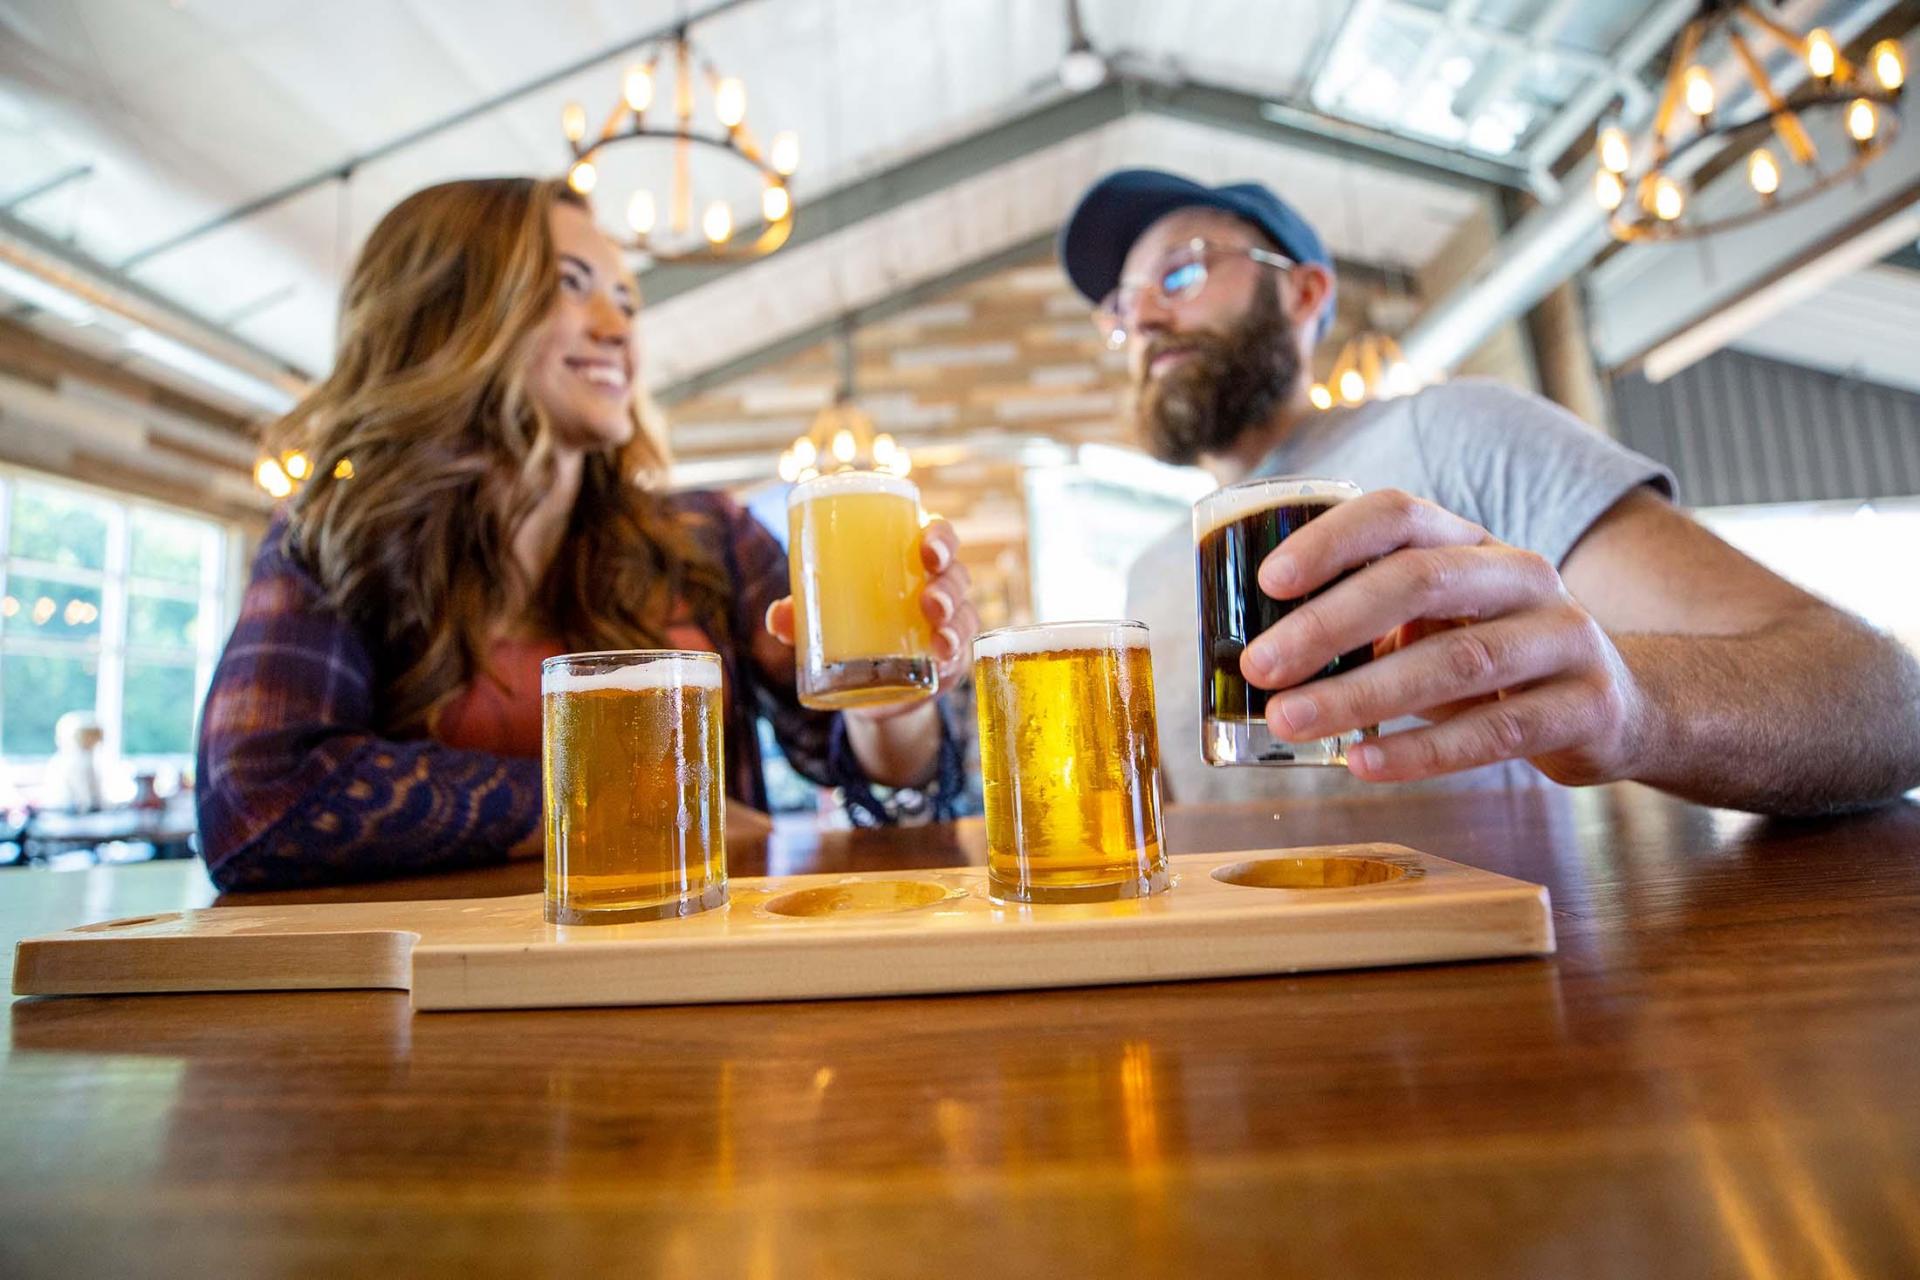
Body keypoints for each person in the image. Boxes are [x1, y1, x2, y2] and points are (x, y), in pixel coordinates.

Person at [197, 177, 980, 891]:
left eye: (629, 303)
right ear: (445, 311)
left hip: (697, 978)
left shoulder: (708, 536)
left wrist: (893, 708)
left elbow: (889, 790)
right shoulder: (336, 536)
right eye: (572, 287)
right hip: (441, 1001)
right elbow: (256, 800)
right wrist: (633, 807)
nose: (618, 330)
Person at [1059, 168, 1920, 815]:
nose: (1145, 321)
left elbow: (1883, 701)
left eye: (1180, 275)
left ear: (1304, 290)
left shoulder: (1458, 430)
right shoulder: (1148, 574)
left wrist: (1636, 708)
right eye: (1121, 311)